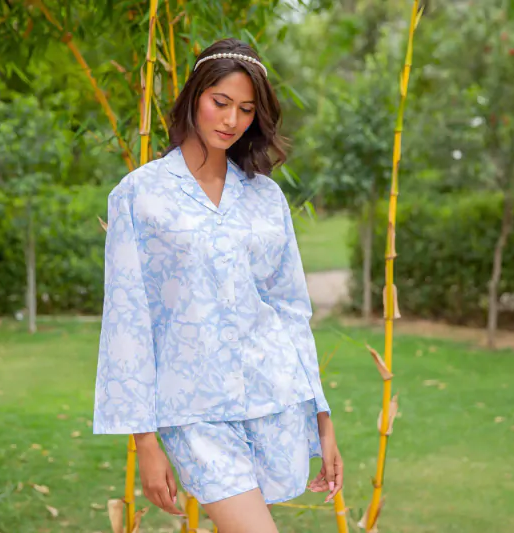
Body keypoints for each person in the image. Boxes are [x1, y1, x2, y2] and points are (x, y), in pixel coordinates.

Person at [93, 38, 343, 533]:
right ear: (194, 97)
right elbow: (128, 321)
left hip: (272, 395)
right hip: (192, 410)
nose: (231, 121)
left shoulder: (266, 197)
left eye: (246, 110)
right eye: (220, 103)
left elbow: (290, 310)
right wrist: (145, 443)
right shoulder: (139, 196)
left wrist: (323, 421)